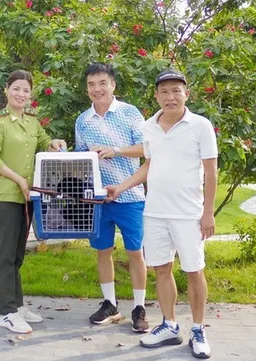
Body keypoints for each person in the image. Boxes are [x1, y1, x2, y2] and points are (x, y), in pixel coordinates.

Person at [105, 69, 218, 359]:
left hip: (188, 214)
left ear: (186, 94)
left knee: (194, 270)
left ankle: (198, 329)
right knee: (162, 268)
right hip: (154, 212)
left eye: (176, 90)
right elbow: (148, 165)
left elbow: (211, 172)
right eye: (164, 91)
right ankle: (169, 325)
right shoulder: (149, 127)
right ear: (156, 96)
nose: (171, 96)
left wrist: (208, 213)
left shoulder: (200, 126)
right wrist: (121, 187)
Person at [0, 70, 67, 334]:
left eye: (26, 90)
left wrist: (54, 142)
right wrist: (18, 179)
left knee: (17, 255)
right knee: (6, 255)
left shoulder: (31, 122)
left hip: (28, 199)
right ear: (7, 90)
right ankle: (6, 313)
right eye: (16, 89)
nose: (21, 94)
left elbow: (42, 143)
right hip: (7, 197)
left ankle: (17, 306)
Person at [74, 63, 149, 333]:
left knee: (134, 252)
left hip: (130, 195)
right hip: (98, 200)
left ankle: (139, 307)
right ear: (87, 89)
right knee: (102, 251)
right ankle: (110, 304)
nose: (97, 89)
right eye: (92, 84)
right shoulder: (82, 120)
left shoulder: (129, 113)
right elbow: (80, 160)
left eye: (102, 83)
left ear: (113, 85)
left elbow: (145, 149)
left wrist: (115, 150)